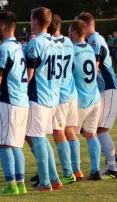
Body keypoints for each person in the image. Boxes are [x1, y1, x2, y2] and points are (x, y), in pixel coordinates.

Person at [0, 11, 29, 195]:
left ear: (3, 26)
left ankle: (11, 184)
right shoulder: (21, 47)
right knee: (16, 144)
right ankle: (21, 183)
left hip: (7, 100)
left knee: (4, 144)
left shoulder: (3, 49)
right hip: (22, 100)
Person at [25, 7, 62, 191]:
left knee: (37, 138)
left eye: (31, 20)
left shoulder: (35, 44)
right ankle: (54, 178)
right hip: (53, 97)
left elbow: (29, 75)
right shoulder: (58, 43)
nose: (30, 23)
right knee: (43, 138)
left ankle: (45, 182)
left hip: (38, 96)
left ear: (37, 21)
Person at [77, 12, 117, 179]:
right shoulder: (94, 40)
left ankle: (113, 167)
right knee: (89, 128)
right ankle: (111, 160)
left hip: (107, 87)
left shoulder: (94, 40)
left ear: (85, 25)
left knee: (99, 128)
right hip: (102, 89)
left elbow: (95, 65)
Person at [47, 14, 81, 184]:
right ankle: (77, 169)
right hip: (72, 93)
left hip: (59, 96)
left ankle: (68, 173)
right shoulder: (69, 42)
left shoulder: (49, 44)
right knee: (70, 131)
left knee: (58, 132)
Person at [69, 19, 103, 181]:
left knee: (71, 134)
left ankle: (76, 171)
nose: (68, 35)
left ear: (75, 32)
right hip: (95, 98)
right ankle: (95, 170)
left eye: (69, 31)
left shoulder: (71, 50)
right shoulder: (90, 47)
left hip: (80, 100)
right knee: (91, 134)